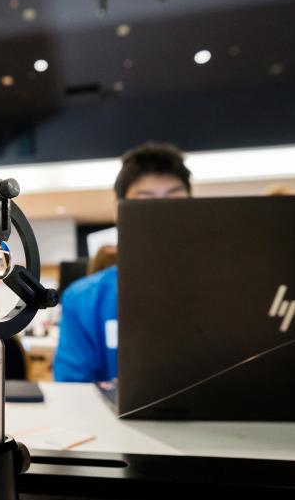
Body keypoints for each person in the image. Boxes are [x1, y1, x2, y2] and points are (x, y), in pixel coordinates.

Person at [54, 142, 192, 382]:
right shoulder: (85, 299)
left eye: (175, 199)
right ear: (120, 212)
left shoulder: (229, 289)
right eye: (146, 201)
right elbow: (73, 390)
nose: (163, 214)